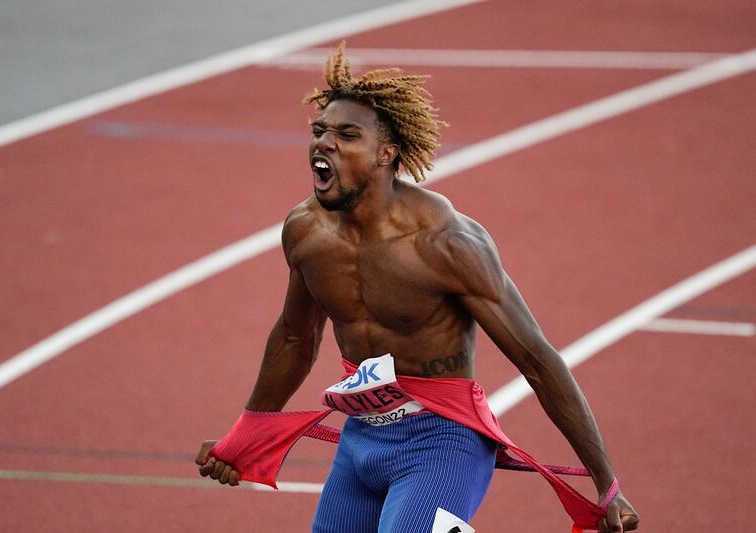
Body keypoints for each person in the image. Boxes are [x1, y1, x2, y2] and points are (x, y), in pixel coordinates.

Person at [196, 42, 640, 533]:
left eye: (347, 135)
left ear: (387, 154)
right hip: (360, 440)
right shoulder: (306, 231)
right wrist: (248, 435)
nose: (325, 143)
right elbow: (295, 338)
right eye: (319, 131)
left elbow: (537, 360)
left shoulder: (446, 243)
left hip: (443, 444)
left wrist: (607, 484)